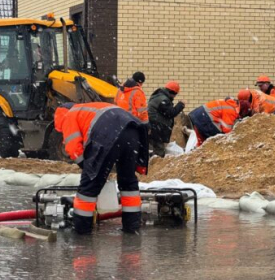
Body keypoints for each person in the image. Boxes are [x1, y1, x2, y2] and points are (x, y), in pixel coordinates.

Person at [54, 102, 149, 235]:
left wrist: (89, 169)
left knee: (89, 187)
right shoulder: (90, 108)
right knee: (128, 183)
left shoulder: (69, 115)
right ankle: (131, 228)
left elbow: (73, 148)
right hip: (133, 129)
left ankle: (82, 231)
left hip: (108, 131)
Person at [148, 81, 185, 157]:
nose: (174, 97)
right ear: (172, 92)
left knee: (156, 149)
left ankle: (150, 163)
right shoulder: (163, 100)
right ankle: (154, 166)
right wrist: (180, 105)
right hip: (156, 128)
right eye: (175, 94)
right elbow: (170, 113)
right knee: (159, 151)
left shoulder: (159, 96)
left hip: (154, 127)